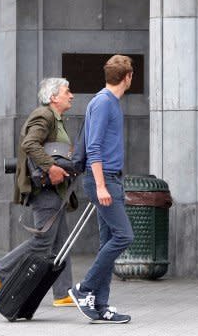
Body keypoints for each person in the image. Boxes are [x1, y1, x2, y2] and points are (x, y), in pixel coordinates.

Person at [0, 78, 76, 307]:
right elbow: (30, 144)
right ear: (54, 97)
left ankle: (63, 292)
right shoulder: (43, 115)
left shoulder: (57, 118)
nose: (71, 95)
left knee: (60, 242)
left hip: (56, 190)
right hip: (45, 190)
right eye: (67, 91)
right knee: (43, 241)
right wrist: (51, 167)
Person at [69, 55, 134, 324]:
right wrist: (101, 185)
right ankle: (84, 290)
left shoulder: (107, 102)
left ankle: (101, 304)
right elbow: (93, 147)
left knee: (109, 241)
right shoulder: (104, 103)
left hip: (110, 180)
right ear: (128, 77)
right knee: (124, 236)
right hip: (103, 180)